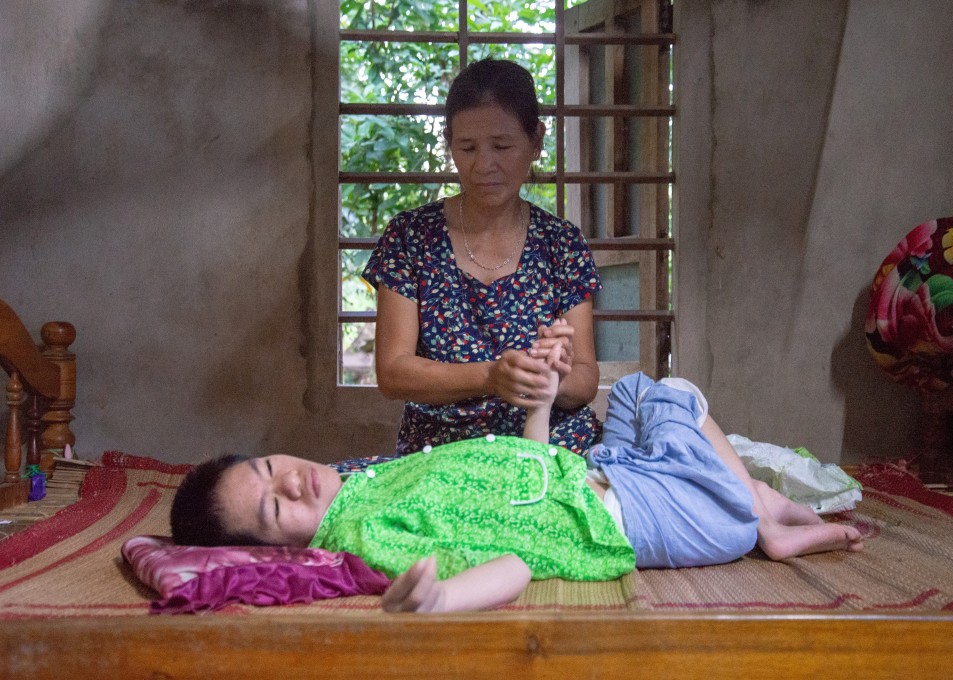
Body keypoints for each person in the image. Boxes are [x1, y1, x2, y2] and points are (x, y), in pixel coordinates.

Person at [171, 341, 864, 614]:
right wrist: (440, 601)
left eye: (270, 470)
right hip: (636, 514)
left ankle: (760, 504)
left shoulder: (365, 481)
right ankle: (762, 522)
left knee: (633, 393)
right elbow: (510, 561)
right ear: (284, 549)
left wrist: (540, 401)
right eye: (272, 510)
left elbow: (520, 473)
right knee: (680, 397)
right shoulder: (367, 529)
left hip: (598, 471)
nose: (291, 485)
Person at [361, 57, 602, 456]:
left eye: (502, 146)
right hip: (442, 452)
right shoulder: (410, 238)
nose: (483, 165)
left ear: (536, 140)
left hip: (552, 446)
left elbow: (585, 377)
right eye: (467, 147)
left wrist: (549, 378)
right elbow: (393, 372)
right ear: (450, 143)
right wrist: (491, 376)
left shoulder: (562, 244)